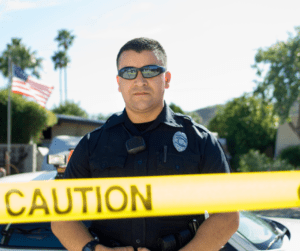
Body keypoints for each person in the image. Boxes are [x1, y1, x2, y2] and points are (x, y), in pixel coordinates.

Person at [51, 37, 239, 251]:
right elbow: (61, 217)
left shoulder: (200, 141)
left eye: (150, 71)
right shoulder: (92, 144)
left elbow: (227, 216)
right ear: (119, 82)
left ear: (166, 79)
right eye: (129, 72)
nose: (139, 81)